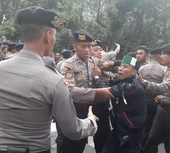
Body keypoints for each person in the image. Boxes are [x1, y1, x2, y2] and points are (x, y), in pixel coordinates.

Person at [0, 6, 98, 153]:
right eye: (55, 36)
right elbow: (73, 130)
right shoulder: (54, 81)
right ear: (48, 36)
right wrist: (91, 121)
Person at [58, 30, 114, 153]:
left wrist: (111, 62)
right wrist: (97, 91)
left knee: (93, 141)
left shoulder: (92, 61)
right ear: (75, 47)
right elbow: (70, 90)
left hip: (91, 108)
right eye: (83, 46)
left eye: (89, 46)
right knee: (73, 144)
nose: (87, 50)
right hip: (75, 108)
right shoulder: (68, 65)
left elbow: (109, 64)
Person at [139, 44, 170, 153]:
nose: (161, 56)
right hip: (162, 109)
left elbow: (164, 87)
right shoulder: (169, 69)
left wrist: (144, 83)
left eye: (163, 54)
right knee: (151, 140)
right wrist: (164, 96)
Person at [94, 55, 146, 153]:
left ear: (134, 72)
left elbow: (109, 92)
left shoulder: (131, 86)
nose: (120, 69)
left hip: (130, 131)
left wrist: (96, 77)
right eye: (120, 66)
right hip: (120, 129)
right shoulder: (125, 80)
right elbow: (114, 81)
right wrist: (111, 63)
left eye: (125, 67)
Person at [138, 47, 166, 151]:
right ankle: (151, 149)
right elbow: (165, 87)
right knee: (155, 129)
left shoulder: (142, 69)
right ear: (160, 57)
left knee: (145, 126)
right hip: (157, 101)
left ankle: (141, 147)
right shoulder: (164, 70)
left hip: (143, 100)